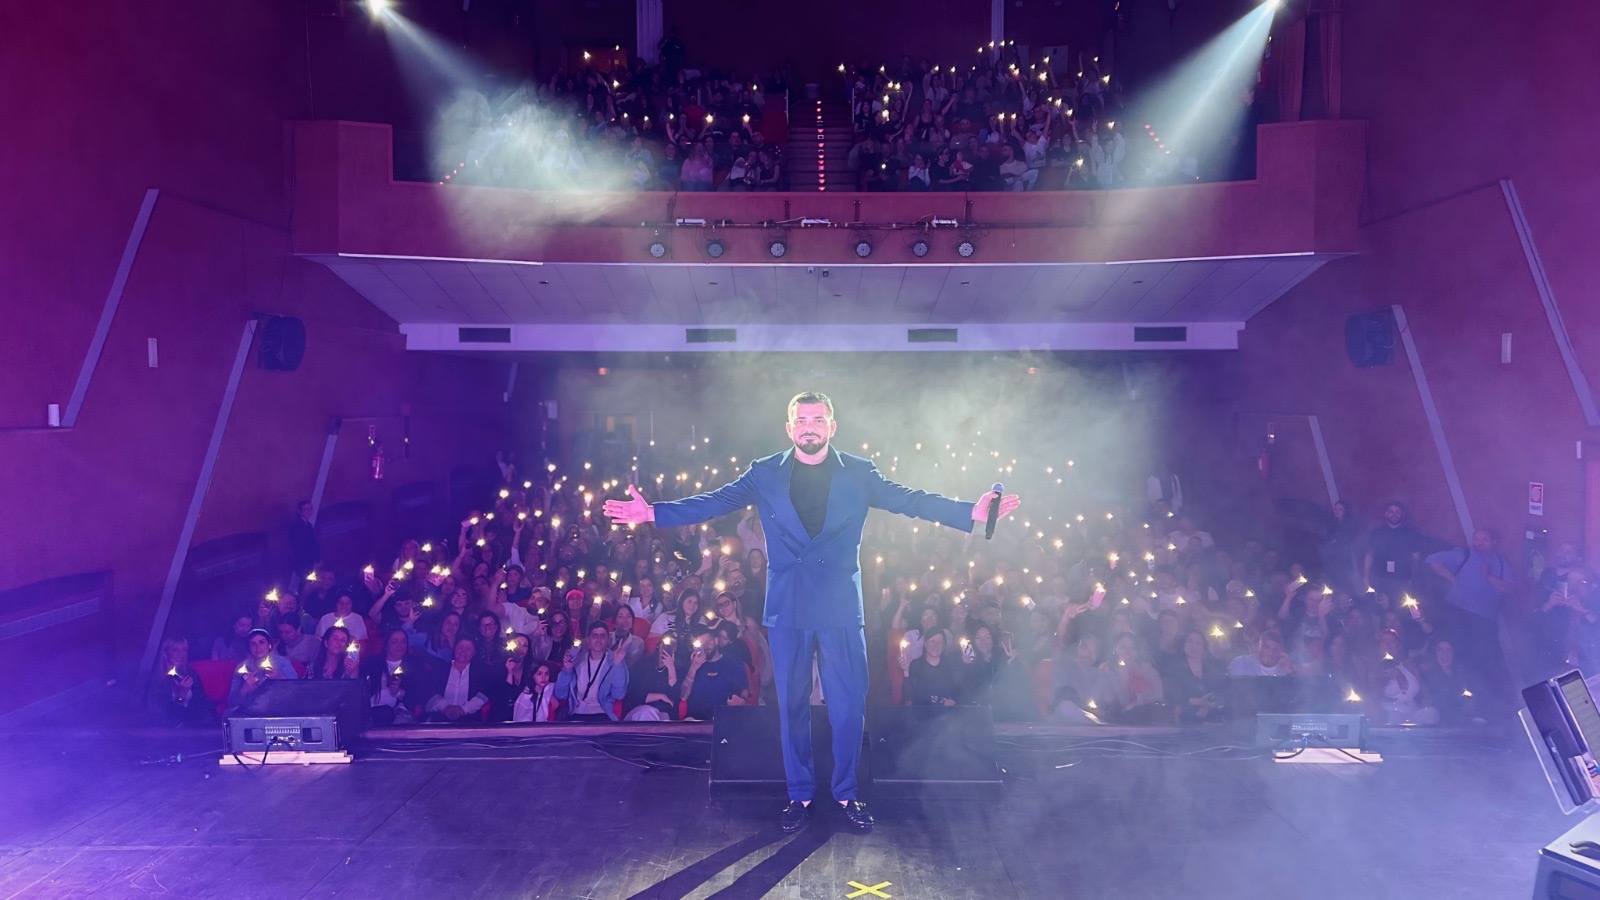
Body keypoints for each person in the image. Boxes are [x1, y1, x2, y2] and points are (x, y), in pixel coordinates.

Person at [604, 390, 1020, 834]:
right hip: (789, 608)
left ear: (832, 427)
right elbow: (715, 501)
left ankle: (847, 793)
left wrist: (970, 514)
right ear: (789, 428)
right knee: (792, 708)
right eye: (802, 420)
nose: (809, 426)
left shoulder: (859, 472)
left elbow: (910, 500)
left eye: (818, 419)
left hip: (840, 607)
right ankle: (799, 794)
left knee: (848, 708)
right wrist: (653, 513)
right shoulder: (764, 472)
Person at [1426, 529, 1513, 705]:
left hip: (1484, 620)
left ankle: (1481, 701)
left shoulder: (1501, 563)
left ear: (1493, 542)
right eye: (1476, 539)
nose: (1479, 543)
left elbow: (1509, 589)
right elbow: (1431, 560)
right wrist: (1452, 578)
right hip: (1457, 613)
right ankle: (1453, 697)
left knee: (1482, 661)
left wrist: (1489, 577)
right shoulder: (1463, 554)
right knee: (1457, 655)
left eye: (1484, 539)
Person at [555, 621, 630, 722]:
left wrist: (617, 665)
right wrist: (567, 670)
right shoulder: (577, 660)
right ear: (588, 640)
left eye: (602, 636)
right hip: (577, 713)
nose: (599, 640)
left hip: (602, 714)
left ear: (608, 640)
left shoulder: (615, 660)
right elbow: (560, 694)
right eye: (595, 635)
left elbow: (619, 695)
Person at [681, 621, 751, 720]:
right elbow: (683, 696)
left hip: (724, 718)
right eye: (701, 644)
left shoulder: (733, 662)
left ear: (716, 641)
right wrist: (693, 668)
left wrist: (742, 701)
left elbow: (744, 690)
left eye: (708, 641)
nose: (705, 647)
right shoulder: (692, 662)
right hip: (696, 720)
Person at [148, 637, 215, 726]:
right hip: (166, 727)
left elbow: (200, 703)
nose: (181, 654)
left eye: (184, 650)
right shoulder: (157, 680)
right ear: (165, 653)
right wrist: (181, 696)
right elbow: (164, 714)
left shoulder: (190, 673)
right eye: (175, 650)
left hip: (193, 725)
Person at [228, 628, 298, 711]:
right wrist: (244, 689)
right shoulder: (242, 667)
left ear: (269, 645)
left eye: (262, 642)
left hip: (279, 709)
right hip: (250, 711)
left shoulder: (283, 663)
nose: (258, 647)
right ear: (249, 648)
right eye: (253, 644)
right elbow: (231, 702)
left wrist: (279, 679)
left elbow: (296, 692)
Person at [425, 637, 491, 722]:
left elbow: (485, 694)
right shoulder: (440, 668)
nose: (463, 651)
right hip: (440, 719)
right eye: (460, 647)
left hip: (469, 721)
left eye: (468, 649)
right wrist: (445, 707)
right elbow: (429, 692)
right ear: (454, 649)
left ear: (474, 652)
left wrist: (464, 709)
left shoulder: (481, 672)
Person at [624, 639, 682, 721]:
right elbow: (634, 697)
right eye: (665, 645)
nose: (667, 649)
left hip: (662, 715)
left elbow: (674, 699)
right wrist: (661, 696)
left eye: (672, 647)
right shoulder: (641, 665)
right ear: (659, 646)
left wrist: (671, 669)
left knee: (664, 718)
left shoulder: (677, 670)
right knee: (647, 712)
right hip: (639, 713)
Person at [289, 500, 319, 581]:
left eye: (310, 509)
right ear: (300, 511)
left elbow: (313, 543)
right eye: (305, 509)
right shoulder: (297, 526)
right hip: (303, 561)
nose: (308, 512)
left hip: (310, 560)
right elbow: (298, 546)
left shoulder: (309, 525)